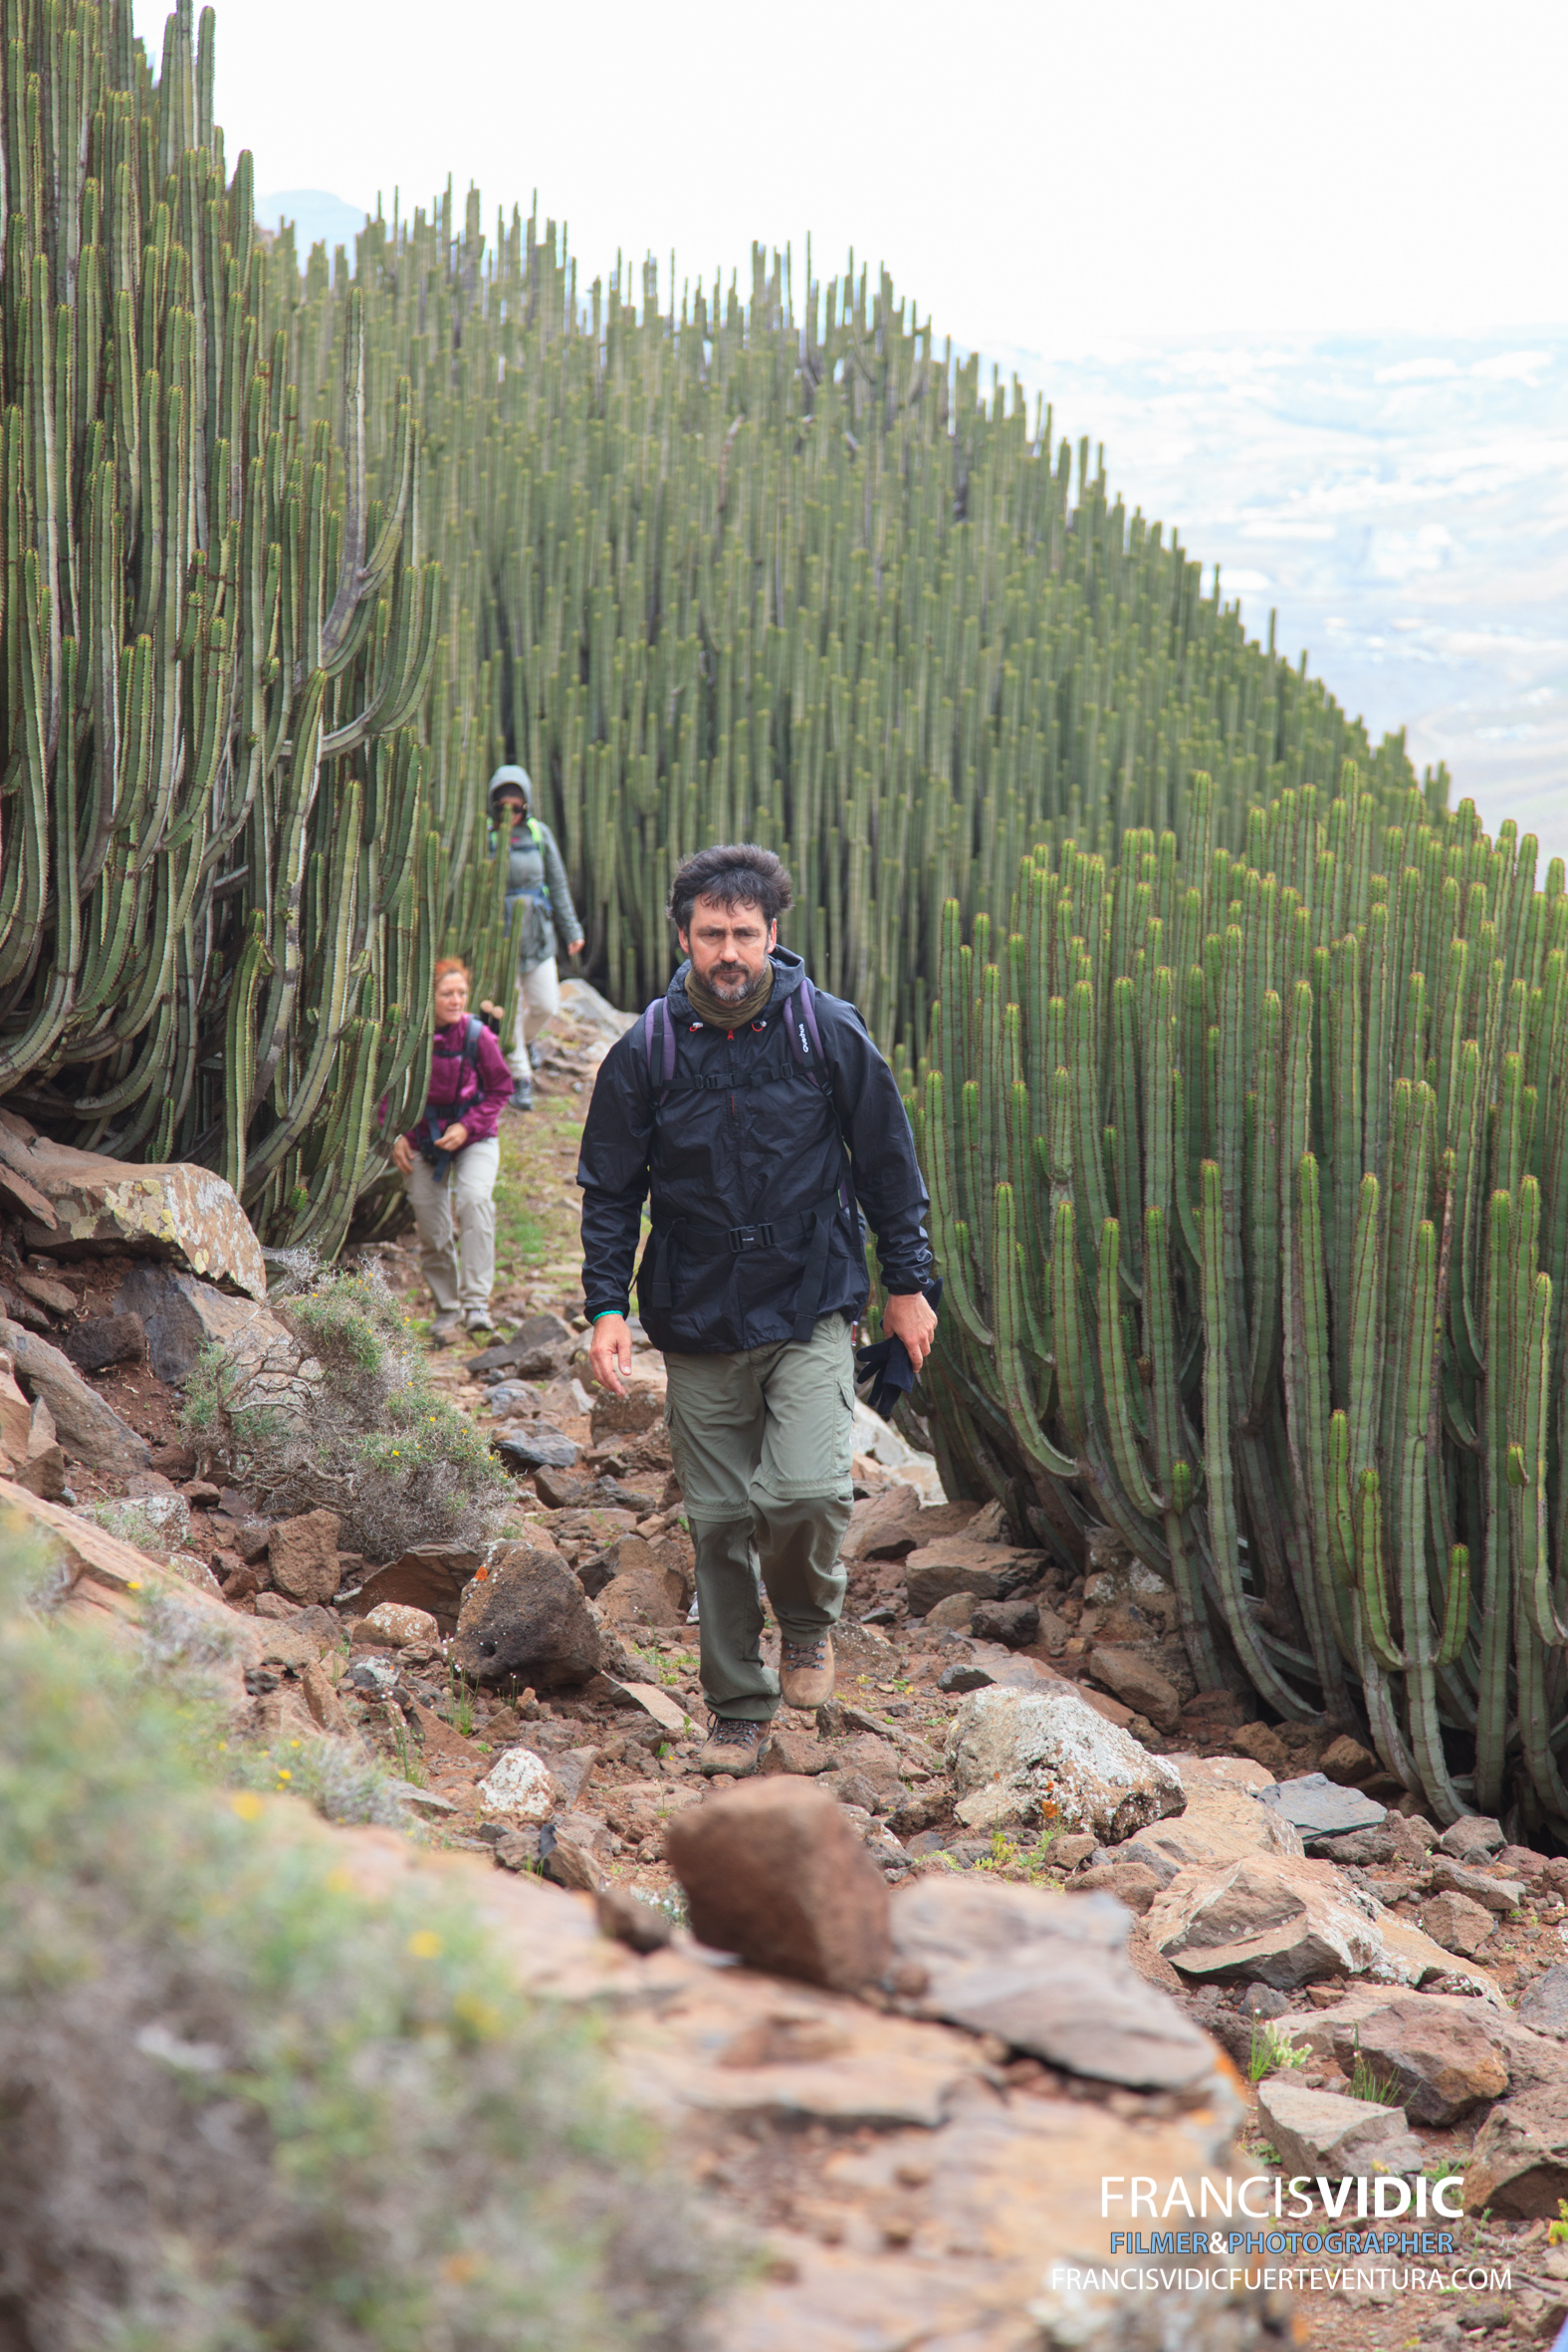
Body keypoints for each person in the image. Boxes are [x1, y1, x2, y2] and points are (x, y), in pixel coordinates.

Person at [578, 843, 939, 1775]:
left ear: (773, 935)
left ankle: (809, 1624)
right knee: (717, 1522)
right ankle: (737, 1710)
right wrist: (605, 1306)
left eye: (744, 933)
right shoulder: (647, 1049)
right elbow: (611, 1190)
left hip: (810, 1297)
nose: (729, 952)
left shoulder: (826, 1030)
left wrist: (908, 1285)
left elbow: (887, 1162)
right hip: (695, 1311)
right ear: (684, 939)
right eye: (712, 934)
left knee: (807, 1492)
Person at [391, 957, 513, 1342]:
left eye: (462, 992)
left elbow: (501, 1089)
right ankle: (448, 1308)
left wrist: (467, 1126)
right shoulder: (409, 1039)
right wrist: (393, 1135)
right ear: (430, 996)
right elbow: (385, 1091)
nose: (457, 1000)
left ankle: (477, 1307)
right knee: (431, 1226)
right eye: (447, 993)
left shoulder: (478, 1036)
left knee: (475, 1200)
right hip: (421, 1140)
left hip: (475, 1137)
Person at [488, 766, 583, 1111]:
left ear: (527, 805)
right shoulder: (485, 837)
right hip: (500, 937)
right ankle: (521, 1078)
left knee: (546, 1004)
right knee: (510, 1009)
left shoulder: (539, 834)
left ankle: (525, 1043)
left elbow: (557, 884)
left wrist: (572, 930)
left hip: (538, 934)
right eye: (502, 807)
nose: (510, 813)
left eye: (517, 807)